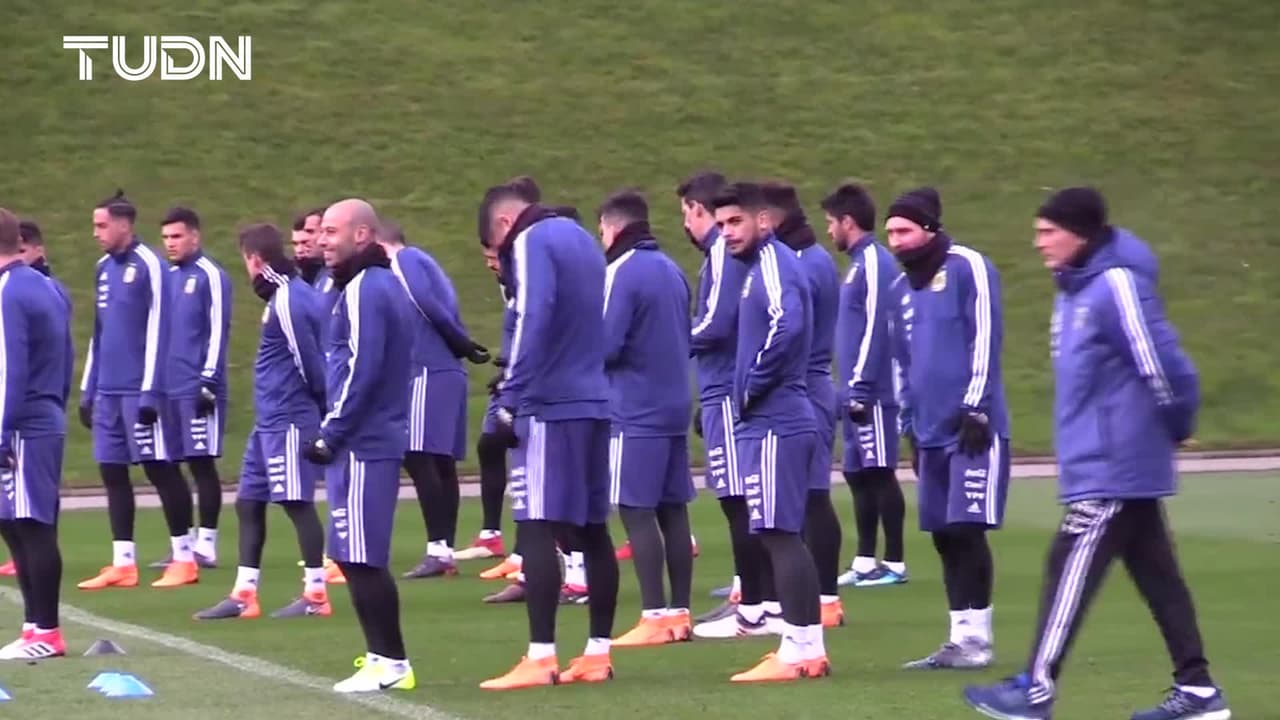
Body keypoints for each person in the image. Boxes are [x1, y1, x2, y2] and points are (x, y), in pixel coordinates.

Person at [963, 188, 1230, 720]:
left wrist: (1177, 425)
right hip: (1104, 462)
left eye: (1048, 232)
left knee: (1067, 565)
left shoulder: (1116, 285)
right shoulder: (1075, 291)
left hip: (1115, 465)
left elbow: (1165, 365)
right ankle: (1199, 691)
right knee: (1159, 578)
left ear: (1080, 234)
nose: (1039, 242)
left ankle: (1036, 688)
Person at [477, 181, 619, 690]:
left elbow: (533, 314)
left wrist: (509, 397)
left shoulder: (530, 239)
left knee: (536, 523)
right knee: (592, 530)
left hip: (550, 404)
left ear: (503, 224)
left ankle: (541, 656)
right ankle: (598, 653)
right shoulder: (582, 238)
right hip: (593, 398)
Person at [885, 187, 1010, 670]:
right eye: (890, 232)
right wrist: (909, 426)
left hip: (970, 427)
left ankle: (979, 640)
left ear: (929, 228)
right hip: (929, 430)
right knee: (942, 533)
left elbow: (986, 337)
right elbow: (902, 362)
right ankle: (959, 638)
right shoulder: (900, 289)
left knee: (966, 528)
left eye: (904, 230)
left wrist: (976, 407)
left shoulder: (967, 267)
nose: (896, 241)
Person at [709, 182, 828, 682]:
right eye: (721, 224)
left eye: (735, 221)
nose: (727, 232)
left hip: (778, 419)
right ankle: (805, 646)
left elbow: (788, 324)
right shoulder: (757, 268)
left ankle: (799, 648)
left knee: (780, 534)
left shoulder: (775, 264)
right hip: (770, 419)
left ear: (764, 220)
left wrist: (752, 386)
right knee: (779, 533)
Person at [303, 198, 416, 693]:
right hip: (364, 438)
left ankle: (392, 661)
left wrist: (331, 431)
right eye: (321, 231)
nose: (322, 240)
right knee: (349, 555)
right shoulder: (365, 285)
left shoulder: (367, 288)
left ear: (362, 235)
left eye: (332, 231)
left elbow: (363, 369)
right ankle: (380, 657)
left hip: (364, 441)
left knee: (363, 556)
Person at [193, 223, 332, 621]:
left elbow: (310, 361)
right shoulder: (281, 296)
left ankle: (317, 594)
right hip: (268, 420)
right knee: (249, 502)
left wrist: (322, 411)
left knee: (296, 502)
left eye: (246, 261)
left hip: (289, 419)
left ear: (254, 259)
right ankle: (244, 594)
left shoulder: (289, 298)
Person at [77, 190, 198, 591]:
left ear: (124, 225)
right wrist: (88, 388)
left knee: (159, 467)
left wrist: (150, 392)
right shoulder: (102, 269)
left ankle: (184, 558)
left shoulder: (150, 265)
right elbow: (99, 333)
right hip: (108, 391)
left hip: (141, 390)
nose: (96, 233)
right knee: (111, 471)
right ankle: (123, 563)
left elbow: (161, 330)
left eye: (102, 225)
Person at [596, 190, 696, 646]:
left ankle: (654, 614)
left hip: (635, 408)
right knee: (673, 509)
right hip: (674, 402)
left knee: (636, 508)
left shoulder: (622, 271)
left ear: (613, 227)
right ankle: (680, 613)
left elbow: (606, 345)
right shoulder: (672, 269)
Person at [680, 172, 776, 633]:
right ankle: (753, 597)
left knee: (738, 499)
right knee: (742, 499)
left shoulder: (722, 252)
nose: (686, 224)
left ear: (697, 209)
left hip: (727, 389)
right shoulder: (727, 254)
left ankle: (754, 606)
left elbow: (716, 324)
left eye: (685, 213)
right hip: (724, 388)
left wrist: (669, 341)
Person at [380, 221, 490, 579]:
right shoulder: (426, 261)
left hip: (427, 368)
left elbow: (424, 302)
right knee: (439, 461)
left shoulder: (403, 260)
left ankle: (439, 549)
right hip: (443, 368)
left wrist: (461, 342)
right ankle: (443, 551)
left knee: (418, 454)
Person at [762, 182, 845, 629]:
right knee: (809, 497)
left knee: (809, 499)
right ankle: (818, 598)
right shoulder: (814, 258)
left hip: (805, 386)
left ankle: (822, 600)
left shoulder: (798, 263)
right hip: (814, 383)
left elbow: (790, 330)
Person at [820, 184, 909, 588]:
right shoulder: (858, 264)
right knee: (857, 474)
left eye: (831, 223)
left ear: (848, 222)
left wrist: (860, 386)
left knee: (879, 472)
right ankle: (864, 559)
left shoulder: (875, 262)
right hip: (854, 389)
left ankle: (895, 562)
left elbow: (877, 326)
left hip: (873, 393)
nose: (829, 231)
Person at [0, 208, 74, 660]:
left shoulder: (9, 290)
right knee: (14, 524)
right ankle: (33, 627)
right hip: (41, 414)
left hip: (24, 422)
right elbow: (66, 356)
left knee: (32, 526)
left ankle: (47, 631)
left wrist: (2, 430)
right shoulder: (48, 286)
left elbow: (10, 367)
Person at [467, 175, 542, 569]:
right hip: (517, 375)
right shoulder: (514, 270)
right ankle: (501, 540)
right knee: (494, 445)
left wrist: (514, 375)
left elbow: (536, 322)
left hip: (536, 383)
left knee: (527, 458)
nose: (492, 262)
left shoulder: (535, 254)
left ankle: (531, 554)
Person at [156, 207, 231, 570]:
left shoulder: (210, 275)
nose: (170, 243)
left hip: (198, 386)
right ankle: (182, 546)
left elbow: (218, 329)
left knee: (201, 463)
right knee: (170, 464)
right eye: (166, 237)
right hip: (168, 388)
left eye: (177, 236)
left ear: (195, 237)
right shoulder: (167, 277)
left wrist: (208, 380)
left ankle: (208, 544)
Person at [291, 207, 326, 285]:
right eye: (295, 244)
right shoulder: (292, 279)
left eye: (305, 243)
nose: (299, 250)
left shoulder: (343, 274)